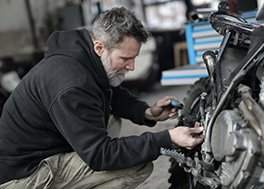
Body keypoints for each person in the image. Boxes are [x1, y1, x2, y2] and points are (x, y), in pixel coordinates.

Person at [0, 7, 204, 189]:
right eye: (125, 58)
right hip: (24, 175)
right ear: (99, 47)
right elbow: (100, 155)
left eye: (134, 58)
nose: (131, 66)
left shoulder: (83, 55)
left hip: (40, 150)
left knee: (111, 117)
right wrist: (166, 138)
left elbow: (108, 91)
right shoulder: (72, 84)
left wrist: (146, 112)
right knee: (137, 166)